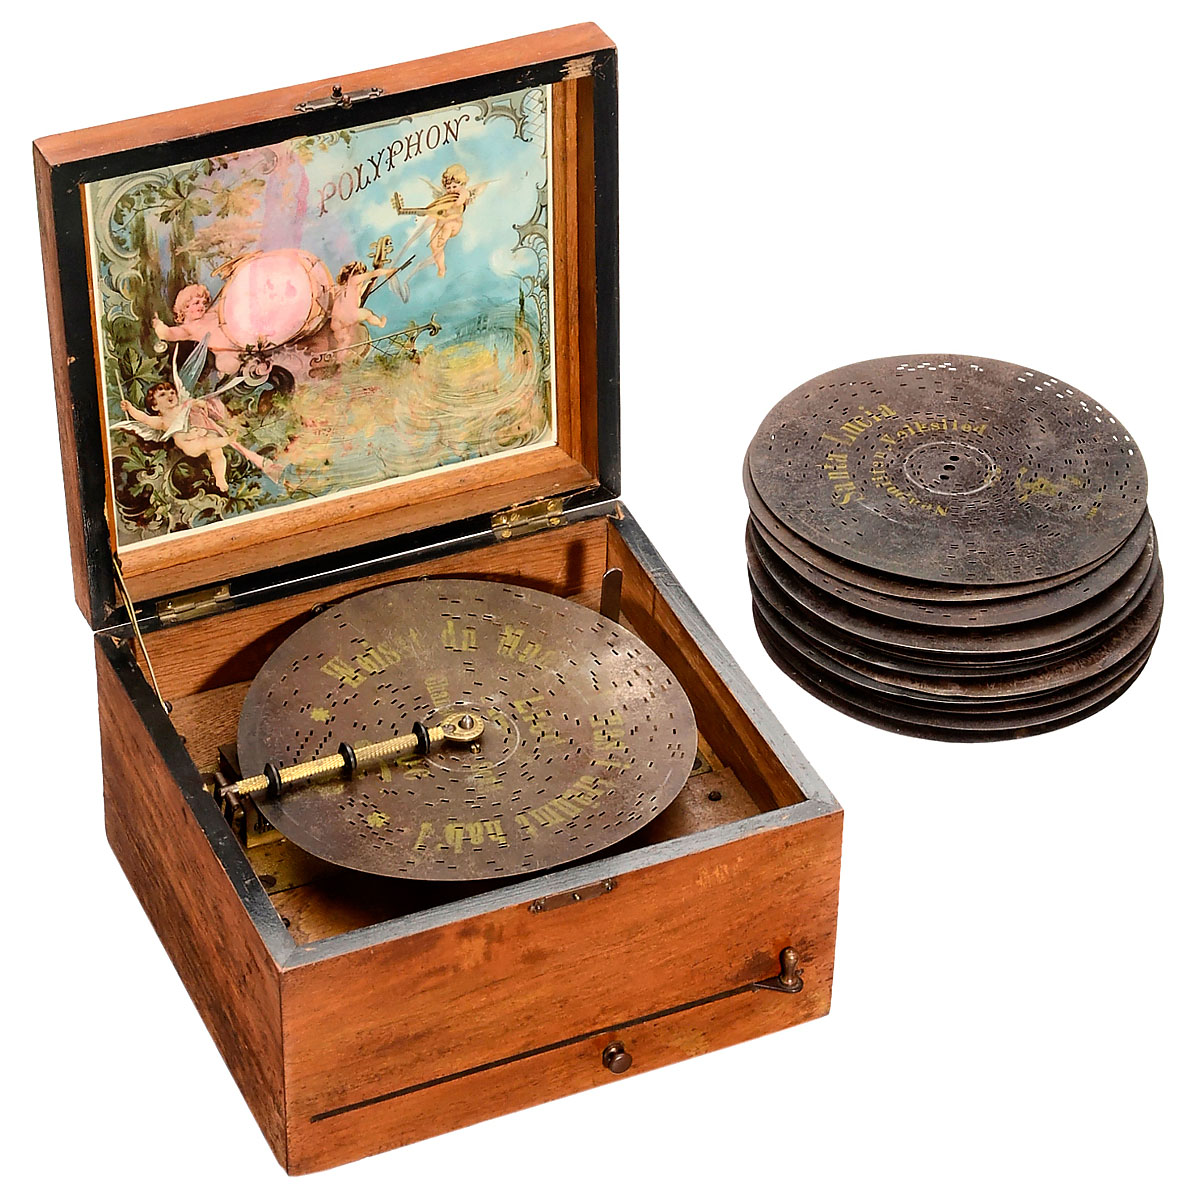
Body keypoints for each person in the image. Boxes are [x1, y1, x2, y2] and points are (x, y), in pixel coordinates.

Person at [116, 376, 280, 494]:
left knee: (216, 455)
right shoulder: (161, 421)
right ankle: (226, 440)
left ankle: (220, 478)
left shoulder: (184, 406)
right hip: (190, 444)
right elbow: (143, 418)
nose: (170, 395)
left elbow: (200, 404)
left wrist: (201, 404)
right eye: (162, 395)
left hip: (202, 434)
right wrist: (129, 408)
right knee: (207, 443)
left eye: (171, 392)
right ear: (155, 406)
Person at [389, 164, 488, 300]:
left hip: (453, 223)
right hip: (441, 220)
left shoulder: (463, 193)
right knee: (431, 245)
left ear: (462, 183)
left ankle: (440, 268)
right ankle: (401, 270)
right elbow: (434, 209)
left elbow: (458, 202)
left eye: (455, 186)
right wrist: (411, 210)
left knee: (444, 233)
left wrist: (453, 199)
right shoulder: (446, 197)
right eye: (448, 187)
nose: (451, 190)